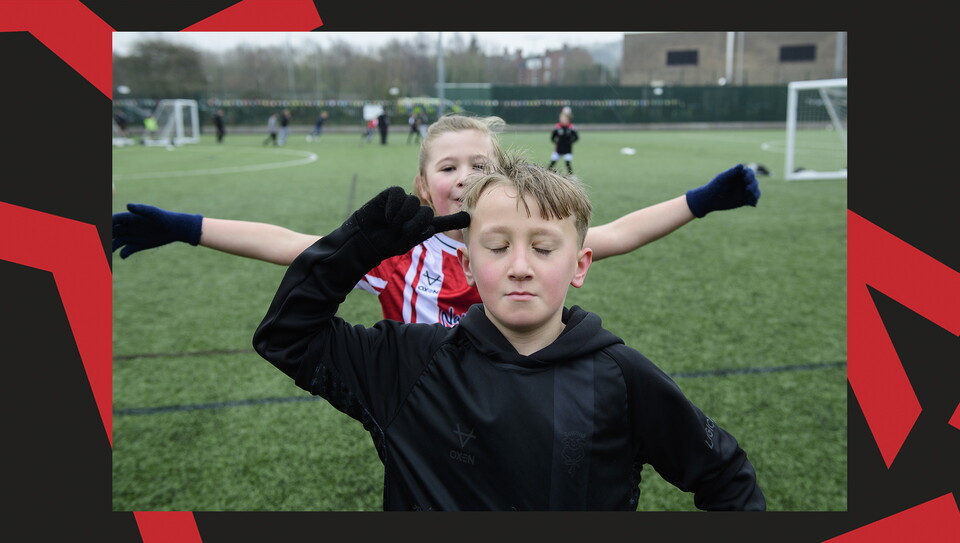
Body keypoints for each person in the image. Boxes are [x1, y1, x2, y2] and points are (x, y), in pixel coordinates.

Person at [251, 157, 766, 511]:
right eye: (497, 247)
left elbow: (724, 476)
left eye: (543, 247)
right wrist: (355, 249)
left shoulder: (622, 376)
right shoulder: (407, 363)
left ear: (580, 264)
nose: (520, 266)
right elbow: (287, 338)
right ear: (469, 267)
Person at [113, 114, 760, 326]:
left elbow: (616, 234)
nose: (466, 175)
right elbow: (290, 245)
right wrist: (184, 225)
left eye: (481, 163)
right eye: (449, 166)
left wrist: (702, 199)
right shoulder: (393, 255)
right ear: (424, 186)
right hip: (425, 415)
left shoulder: (524, 244)